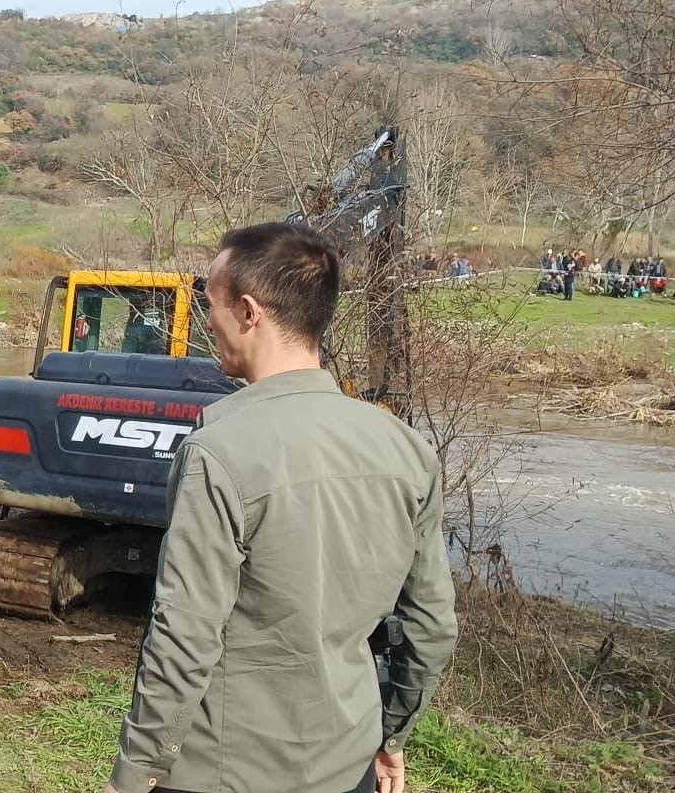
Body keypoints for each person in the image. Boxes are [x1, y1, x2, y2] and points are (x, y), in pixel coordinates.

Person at [105, 223, 458, 793]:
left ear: (248, 312)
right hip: (348, 768)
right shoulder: (407, 450)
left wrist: (139, 769)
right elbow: (431, 625)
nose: (207, 323)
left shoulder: (219, 451)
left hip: (223, 773)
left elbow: (185, 634)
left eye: (211, 306)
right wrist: (390, 737)